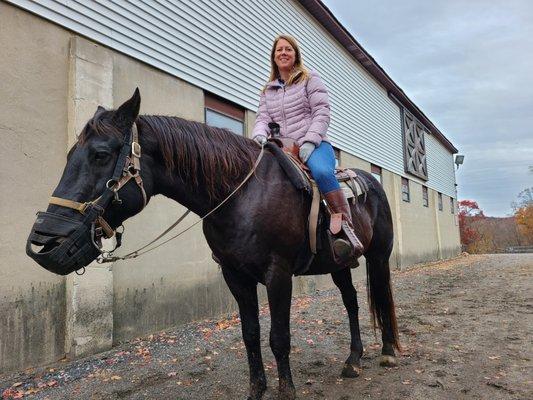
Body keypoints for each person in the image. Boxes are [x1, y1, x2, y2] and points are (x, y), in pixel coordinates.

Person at [251, 34, 364, 261]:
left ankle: (346, 233)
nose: (283, 53)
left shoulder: (309, 79)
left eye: (288, 49)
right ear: (273, 57)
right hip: (282, 148)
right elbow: (262, 118)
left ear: (295, 55)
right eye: (279, 50)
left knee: (322, 173)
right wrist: (259, 135)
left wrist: (311, 140)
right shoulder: (267, 90)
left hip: (314, 144)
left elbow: (322, 112)